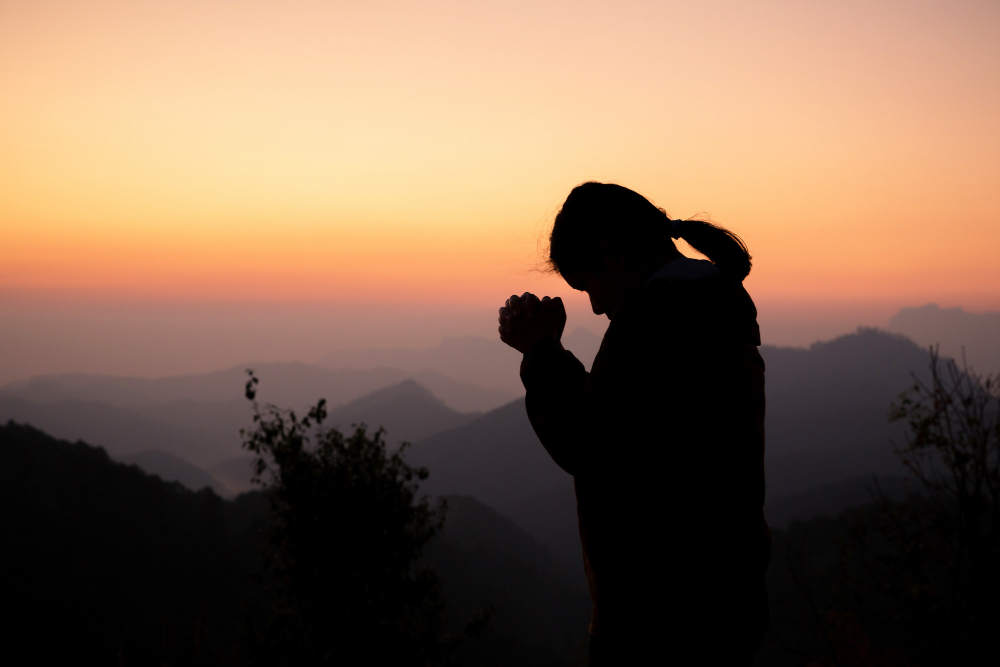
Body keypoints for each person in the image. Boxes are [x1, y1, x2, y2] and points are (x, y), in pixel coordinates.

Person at [498, 182, 770, 664]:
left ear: (613, 257)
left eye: (588, 287)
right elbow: (619, 424)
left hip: (656, 619)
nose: (597, 307)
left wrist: (540, 352)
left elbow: (586, 445)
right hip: (725, 602)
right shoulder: (709, 308)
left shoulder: (655, 321)